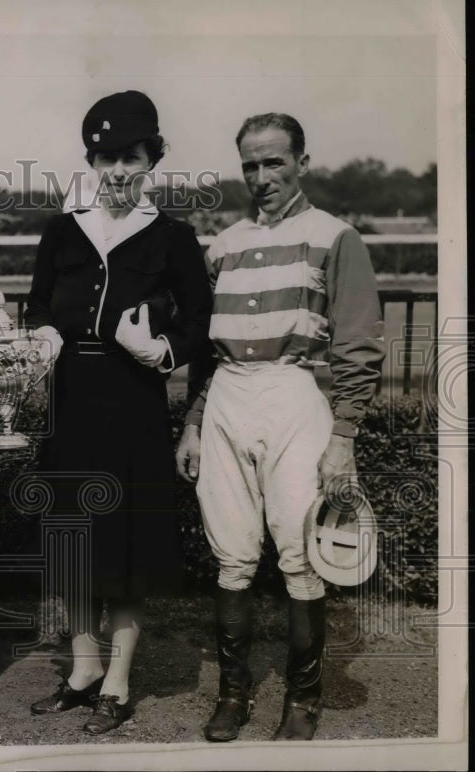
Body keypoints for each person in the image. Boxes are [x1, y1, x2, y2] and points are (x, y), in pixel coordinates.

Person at [175, 113, 386, 742]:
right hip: (227, 400)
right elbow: (206, 353)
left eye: (274, 162)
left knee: (301, 554)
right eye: (250, 165)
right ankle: (233, 696)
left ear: (301, 161)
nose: (262, 177)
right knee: (232, 553)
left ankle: (303, 699)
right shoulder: (223, 245)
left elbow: (357, 345)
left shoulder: (335, 235)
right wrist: (191, 422)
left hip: (295, 393)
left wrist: (343, 436)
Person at [24, 90, 212, 735]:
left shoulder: (173, 237)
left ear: (151, 159)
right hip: (70, 400)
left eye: (132, 157)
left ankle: (119, 680)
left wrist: (161, 350)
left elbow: (199, 323)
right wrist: (44, 333)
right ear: (92, 160)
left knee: (127, 546)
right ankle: (82, 669)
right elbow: (38, 304)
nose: (119, 172)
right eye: (107, 158)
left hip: (133, 404)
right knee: (75, 542)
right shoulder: (63, 228)